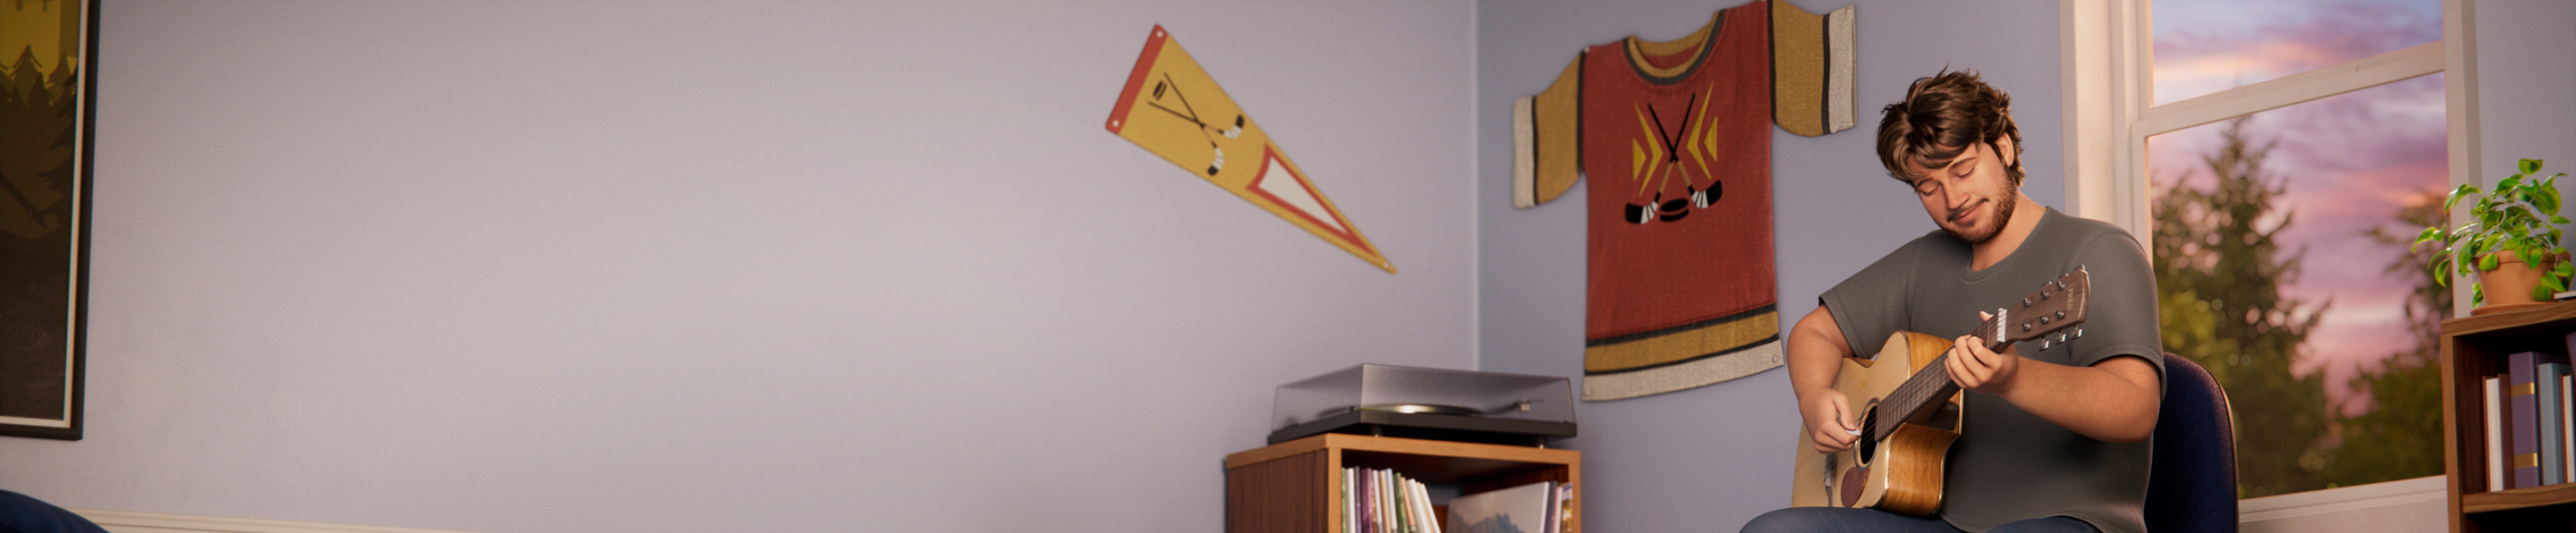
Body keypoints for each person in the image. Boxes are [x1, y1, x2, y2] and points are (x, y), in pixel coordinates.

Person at [1740, 70, 2165, 533]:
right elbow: (1814, 332)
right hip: (1936, 520)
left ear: (2002, 148)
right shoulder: (1923, 262)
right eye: (1927, 186)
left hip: (2067, 520)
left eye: (1963, 170)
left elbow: (2136, 407)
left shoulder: (2096, 252)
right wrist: (1815, 396)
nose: (1953, 198)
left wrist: (2014, 379)